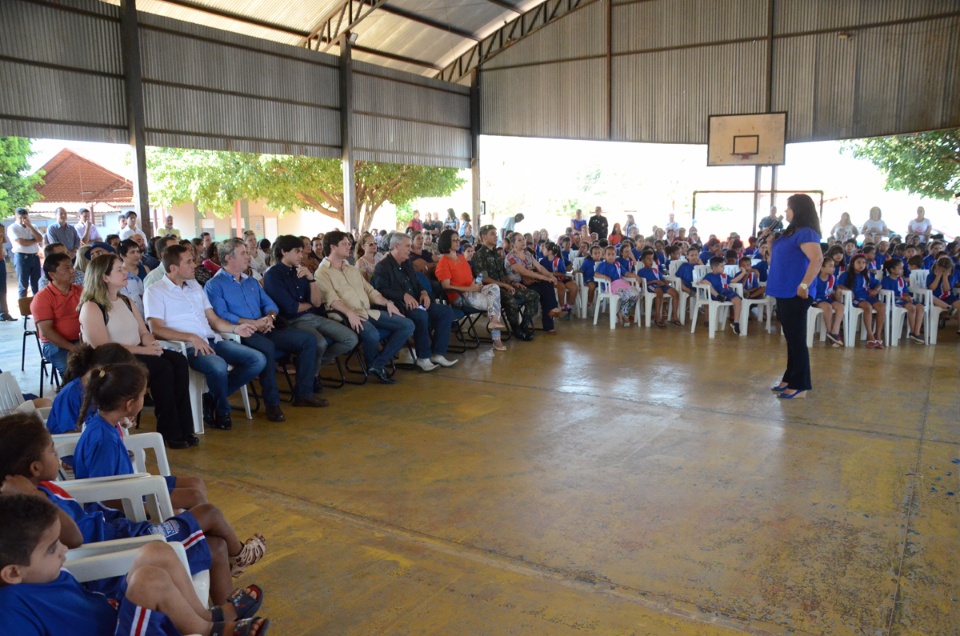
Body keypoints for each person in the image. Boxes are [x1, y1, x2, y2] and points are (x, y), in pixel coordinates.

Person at [0, 491, 272, 636]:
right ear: (13, 573)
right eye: (51, 548)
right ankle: (209, 631)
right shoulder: (10, 612)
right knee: (146, 583)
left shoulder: (43, 574)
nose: (63, 550)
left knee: (155, 552)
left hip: (116, 616)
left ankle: (208, 618)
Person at [76, 254, 195, 448]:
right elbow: (104, 348)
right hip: (113, 361)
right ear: (105, 277)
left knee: (179, 361)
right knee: (163, 368)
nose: (125, 273)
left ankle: (185, 427)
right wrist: (146, 351)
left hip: (137, 352)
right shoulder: (92, 307)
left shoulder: (125, 301)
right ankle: (170, 431)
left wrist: (152, 344)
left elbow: (142, 331)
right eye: (119, 270)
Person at [144, 245, 266, 431]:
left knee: (257, 360)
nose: (195, 265)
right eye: (189, 262)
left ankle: (211, 399)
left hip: (212, 340)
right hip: (185, 347)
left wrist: (235, 328)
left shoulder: (195, 287)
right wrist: (191, 337)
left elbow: (214, 319)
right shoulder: (156, 290)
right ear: (173, 268)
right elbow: (156, 330)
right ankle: (222, 410)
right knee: (217, 366)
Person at [205, 238, 328, 421]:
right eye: (243, 253)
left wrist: (270, 317)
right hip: (242, 331)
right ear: (229, 258)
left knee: (308, 340)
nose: (248, 256)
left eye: (247, 252)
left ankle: (304, 393)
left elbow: (269, 303)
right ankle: (272, 403)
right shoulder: (215, 285)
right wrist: (252, 323)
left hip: (265, 326)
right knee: (267, 348)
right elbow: (221, 314)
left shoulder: (251, 281)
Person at [315, 231, 414, 384]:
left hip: (366, 312)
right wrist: (349, 313)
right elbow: (331, 300)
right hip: (345, 316)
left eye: (349, 243)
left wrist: (388, 303)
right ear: (333, 247)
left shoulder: (352, 269)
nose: (349, 246)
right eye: (345, 244)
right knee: (373, 335)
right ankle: (376, 366)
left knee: (407, 324)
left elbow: (370, 291)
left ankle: (377, 364)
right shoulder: (322, 272)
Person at [262, 235, 359, 376]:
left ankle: (310, 366)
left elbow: (318, 302)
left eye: (302, 251)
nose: (301, 255)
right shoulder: (273, 275)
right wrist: (310, 304)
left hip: (313, 316)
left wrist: (311, 280)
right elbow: (292, 308)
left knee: (351, 339)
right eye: (297, 251)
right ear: (284, 252)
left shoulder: (301, 271)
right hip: (292, 322)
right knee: (320, 343)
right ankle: (311, 375)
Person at [372, 233, 458, 371]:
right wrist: (403, 295)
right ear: (396, 246)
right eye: (407, 246)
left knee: (446, 312)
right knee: (420, 315)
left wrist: (424, 292)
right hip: (398, 306)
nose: (410, 249)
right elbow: (381, 290)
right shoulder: (383, 267)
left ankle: (438, 353)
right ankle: (423, 357)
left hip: (417, 302)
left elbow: (417, 282)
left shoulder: (407, 263)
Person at [766, 194, 823, 398]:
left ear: (798, 209)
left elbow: (817, 259)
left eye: (788, 208)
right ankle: (789, 377)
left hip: (796, 292)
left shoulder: (807, 233)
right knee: (790, 338)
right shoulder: (790, 232)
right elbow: (777, 260)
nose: (785, 212)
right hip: (783, 289)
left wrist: (804, 284)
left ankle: (800, 385)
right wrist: (770, 244)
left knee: (797, 339)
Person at [435, 229, 506, 352]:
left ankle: (494, 322)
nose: (458, 242)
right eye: (454, 240)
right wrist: (470, 288)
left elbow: (469, 278)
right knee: (494, 302)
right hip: (458, 297)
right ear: (446, 242)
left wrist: (475, 284)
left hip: (472, 290)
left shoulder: (461, 258)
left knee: (494, 287)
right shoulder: (443, 263)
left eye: (458, 239)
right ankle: (496, 338)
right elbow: (446, 287)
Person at [45, 343, 134, 435]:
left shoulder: (103, 388)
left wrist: (119, 419)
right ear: (103, 371)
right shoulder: (70, 394)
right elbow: (69, 433)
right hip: (69, 444)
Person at [474, 224, 540, 340]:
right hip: (491, 290)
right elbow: (484, 278)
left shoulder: (497, 254)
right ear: (484, 237)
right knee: (510, 300)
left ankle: (523, 327)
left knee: (533, 295)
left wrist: (512, 283)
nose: (496, 236)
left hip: (504, 286)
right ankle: (516, 330)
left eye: (496, 233)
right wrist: (504, 285)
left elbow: (504, 274)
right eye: (492, 234)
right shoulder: (479, 255)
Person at [30, 253, 82, 378]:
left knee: (102, 364)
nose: (72, 271)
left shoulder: (81, 291)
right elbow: (47, 331)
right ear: (52, 274)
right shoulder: (42, 298)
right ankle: (71, 396)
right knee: (70, 370)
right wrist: (72, 348)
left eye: (71, 267)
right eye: (66, 268)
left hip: (81, 339)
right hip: (54, 344)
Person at [505, 234, 562, 335]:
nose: (523, 241)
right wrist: (545, 277)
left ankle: (551, 313)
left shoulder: (527, 254)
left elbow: (539, 267)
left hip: (529, 281)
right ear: (513, 243)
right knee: (543, 285)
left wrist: (550, 275)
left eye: (523, 239)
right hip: (516, 284)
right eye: (519, 240)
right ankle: (550, 314)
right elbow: (525, 272)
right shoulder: (511, 257)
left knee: (547, 284)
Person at [837, 254, 886, 348]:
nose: (861, 265)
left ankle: (878, 335)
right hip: (855, 299)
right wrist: (849, 291)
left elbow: (879, 284)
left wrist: (875, 290)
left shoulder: (866, 275)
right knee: (867, 307)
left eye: (864, 263)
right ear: (852, 264)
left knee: (882, 306)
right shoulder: (846, 275)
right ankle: (870, 335)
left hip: (867, 296)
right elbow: (839, 285)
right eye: (858, 262)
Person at [880, 258, 924, 344]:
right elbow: (887, 295)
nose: (902, 270)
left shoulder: (901, 280)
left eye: (902, 268)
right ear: (892, 270)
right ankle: (912, 331)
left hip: (903, 299)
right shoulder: (886, 280)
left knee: (920, 307)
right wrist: (902, 298)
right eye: (900, 268)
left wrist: (908, 297)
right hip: (893, 300)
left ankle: (916, 332)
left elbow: (905, 292)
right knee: (911, 308)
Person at [594, 245, 639, 327]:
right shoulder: (602, 265)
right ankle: (625, 316)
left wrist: (636, 276)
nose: (611, 256)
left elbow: (626, 273)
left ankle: (621, 312)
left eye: (613, 254)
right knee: (625, 295)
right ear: (605, 255)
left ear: (616, 255)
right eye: (609, 254)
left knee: (635, 294)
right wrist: (605, 277)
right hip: (610, 287)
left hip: (620, 284)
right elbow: (596, 274)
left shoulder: (617, 264)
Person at [637, 249, 680, 327]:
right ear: (643, 260)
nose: (651, 261)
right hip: (649, 286)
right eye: (648, 259)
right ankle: (657, 317)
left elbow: (662, 279)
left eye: (652, 259)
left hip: (659, 285)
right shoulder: (641, 271)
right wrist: (654, 281)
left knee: (675, 293)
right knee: (659, 291)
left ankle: (674, 317)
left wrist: (664, 282)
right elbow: (641, 284)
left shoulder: (655, 270)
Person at [8, 207, 43, 298]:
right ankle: (24, 311)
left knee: (36, 284)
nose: (23, 220)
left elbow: (40, 238)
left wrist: (30, 226)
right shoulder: (13, 228)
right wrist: (34, 240)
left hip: (34, 257)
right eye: (21, 218)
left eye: (25, 217)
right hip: (22, 257)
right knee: (23, 285)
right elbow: (22, 243)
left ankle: (38, 308)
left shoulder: (33, 226)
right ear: (16, 217)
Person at [810, 257, 845, 346]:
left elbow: (836, 286)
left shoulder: (832, 278)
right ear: (822, 268)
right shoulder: (815, 277)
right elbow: (807, 288)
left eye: (833, 266)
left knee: (840, 307)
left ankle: (834, 331)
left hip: (826, 298)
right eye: (830, 266)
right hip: (816, 299)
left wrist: (838, 290)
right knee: (827, 307)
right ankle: (829, 331)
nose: (833, 268)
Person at [539, 242, 577, 317]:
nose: (543, 250)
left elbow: (563, 273)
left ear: (549, 252)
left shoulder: (558, 260)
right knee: (561, 287)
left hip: (561, 278)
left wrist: (550, 273)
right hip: (550, 280)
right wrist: (549, 275)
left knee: (574, 287)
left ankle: (568, 307)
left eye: (544, 249)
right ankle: (562, 307)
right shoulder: (542, 261)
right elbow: (541, 273)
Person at [927, 256, 960, 333]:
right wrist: (938, 276)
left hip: (947, 297)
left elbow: (946, 289)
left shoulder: (951, 277)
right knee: (931, 297)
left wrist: (945, 277)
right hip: (935, 298)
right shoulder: (931, 275)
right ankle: (950, 309)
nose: (943, 271)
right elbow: (932, 288)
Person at [0, 224, 12, 321]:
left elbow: (5, 241)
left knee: (3, 289)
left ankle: (4, 312)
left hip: (1, 261)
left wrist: (2, 235)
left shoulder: (2, 236)